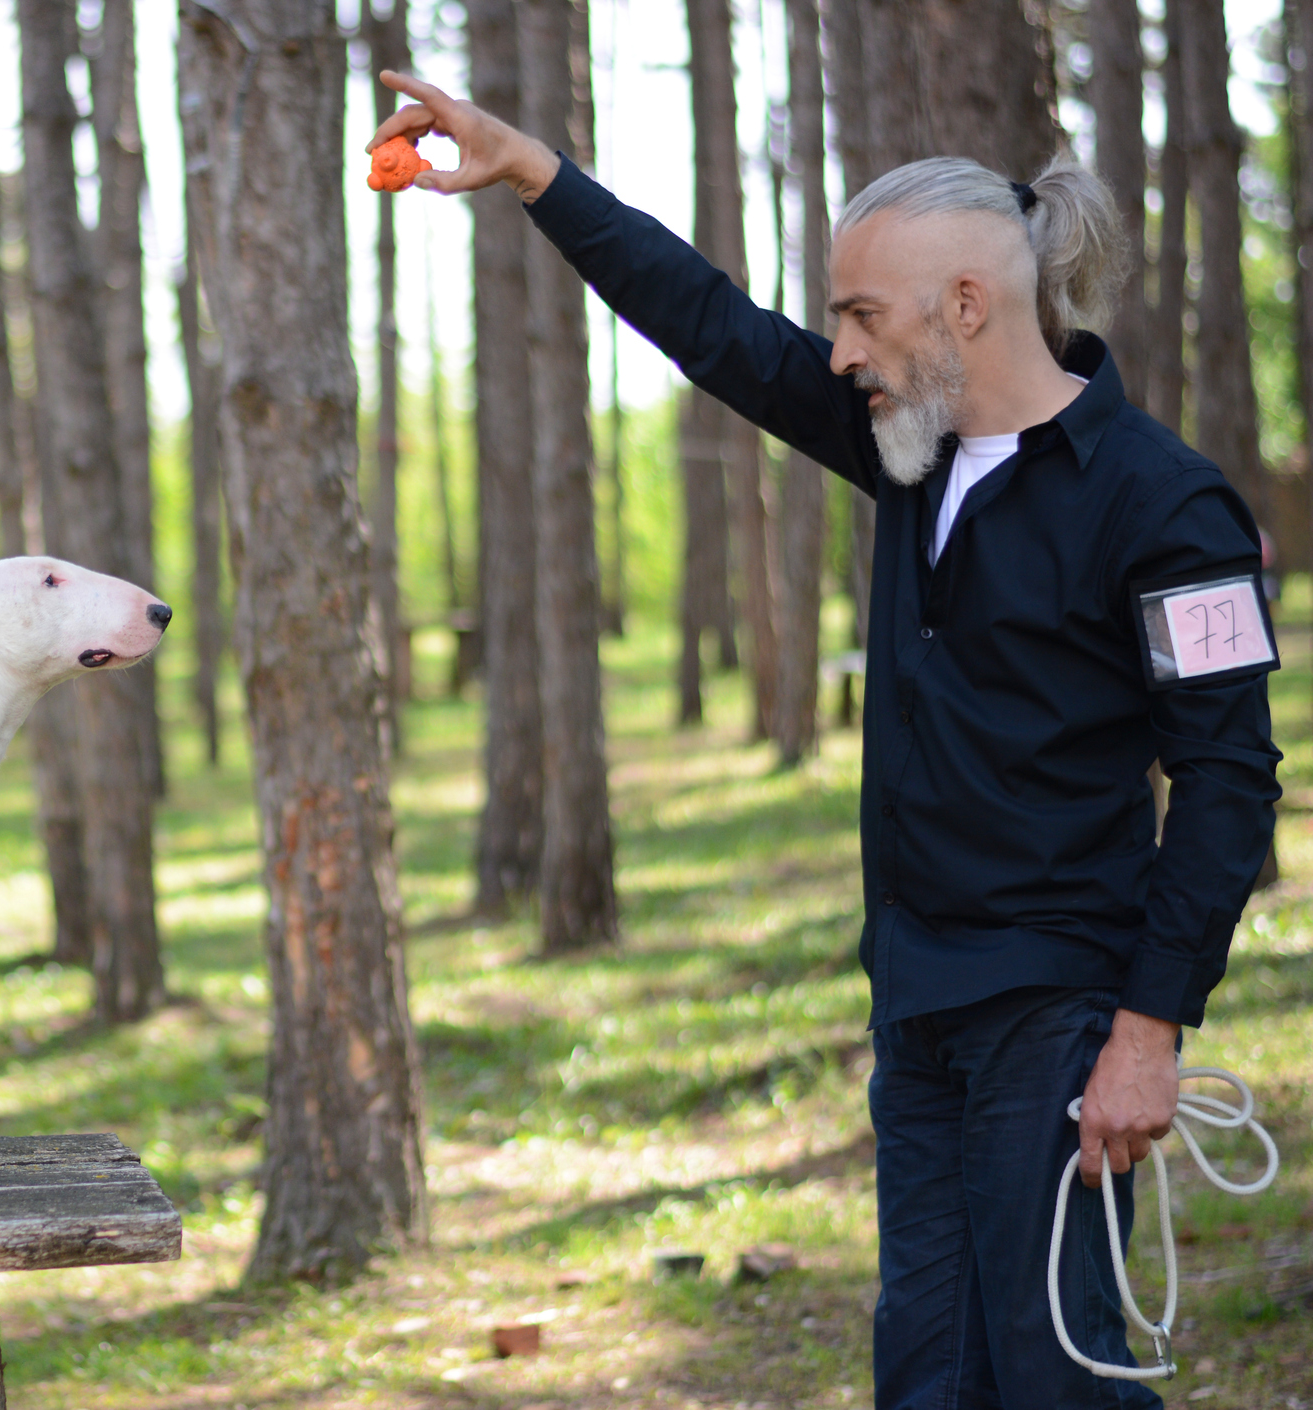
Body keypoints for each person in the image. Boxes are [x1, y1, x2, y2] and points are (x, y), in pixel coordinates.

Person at [369, 74, 1281, 1409]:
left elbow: (1228, 778)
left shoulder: (1166, 505)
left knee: (1054, 1372)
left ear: (965, 307)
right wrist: (532, 173)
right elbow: (715, 328)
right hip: (916, 1001)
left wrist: (1148, 1028)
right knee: (925, 1370)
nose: (840, 350)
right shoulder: (908, 451)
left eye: (862, 315)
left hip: (1061, 1009)